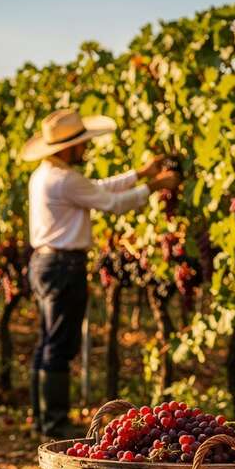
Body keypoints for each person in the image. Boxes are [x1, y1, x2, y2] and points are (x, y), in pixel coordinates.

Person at [21, 109, 179, 437]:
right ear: (66, 148)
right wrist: (155, 185)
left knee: (47, 341)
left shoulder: (47, 174)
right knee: (59, 345)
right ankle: (54, 424)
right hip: (64, 267)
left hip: (46, 263)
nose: (86, 149)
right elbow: (111, 203)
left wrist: (139, 174)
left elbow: (95, 188)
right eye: (81, 144)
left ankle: (41, 419)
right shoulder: (64, 179)